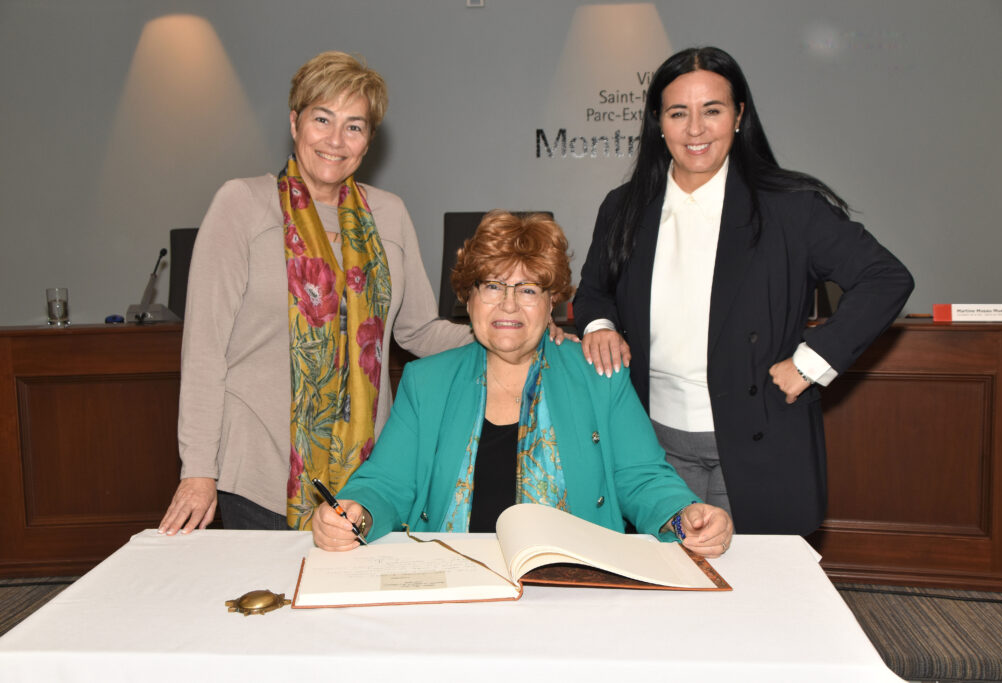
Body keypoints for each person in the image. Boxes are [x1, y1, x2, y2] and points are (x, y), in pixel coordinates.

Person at [572, 46, 914, 536]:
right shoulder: (624, 207)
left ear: (738, 116)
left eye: (711, 110)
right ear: (658, 123)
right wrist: (601, 326)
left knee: (747, 576)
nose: (695, 129)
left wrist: (812, 362)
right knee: (667, 575)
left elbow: (885, 278)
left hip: (757, 438)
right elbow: (593, 292)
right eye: (678, 113)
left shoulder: (791, 208)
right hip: (651, 443)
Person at [158, 51, 476, 534]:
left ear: (368, 140)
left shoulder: (389, 215)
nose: (335, 140)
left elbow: (418, 332)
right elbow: (204, 349)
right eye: (322, 119)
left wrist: (505, 333)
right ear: (295, 122)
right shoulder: (242, 205)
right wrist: (198, 469)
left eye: (354, 126)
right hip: (261, 473)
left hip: (367, 476)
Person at [312, 211, 733, 557]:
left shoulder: (598, 376)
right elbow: (386, 482)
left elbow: (642, 478)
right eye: (493, 286)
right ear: (469, 299)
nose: (509, 304)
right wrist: (357, 512)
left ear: (552, 304)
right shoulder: (427, 382)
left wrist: (684, 516)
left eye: (528, 289)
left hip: (575, 587)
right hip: (454, 583)